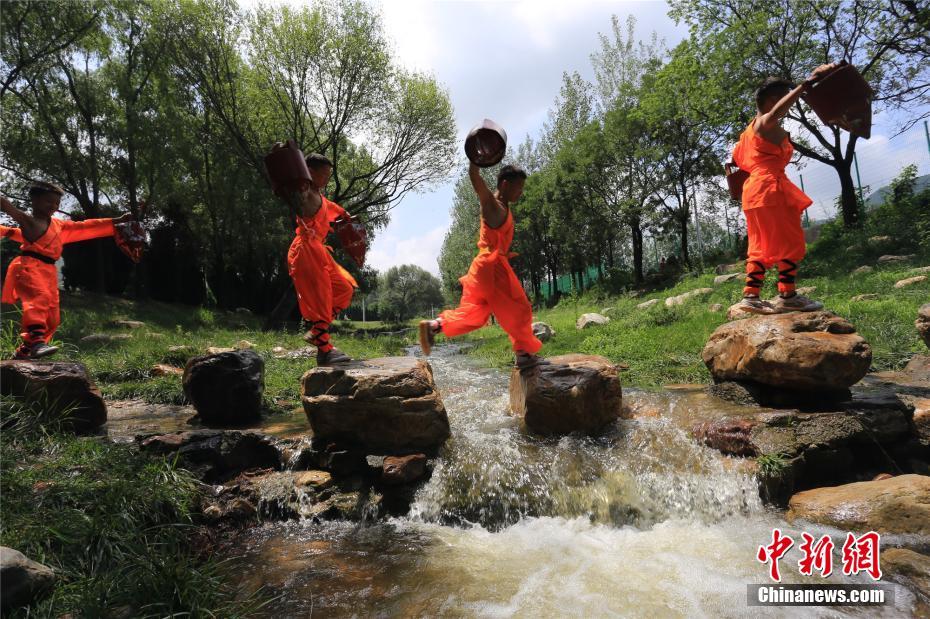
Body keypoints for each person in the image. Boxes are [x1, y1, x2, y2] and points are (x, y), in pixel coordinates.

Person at [419, 163, 545, 370]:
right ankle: (523, 355)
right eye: (519, 188)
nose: (521, 192)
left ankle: (434, 326)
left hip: (482, 268)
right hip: (492, 267)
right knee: (520, 308)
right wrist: (474, 163)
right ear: (505, 185)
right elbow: (477, 182)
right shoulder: (492, 204)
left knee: (476, 313)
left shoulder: (502, 205)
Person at [732, 64, 836, 314]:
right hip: (770, 189)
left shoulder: (747, 133)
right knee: (790, 241)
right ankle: (787, 295)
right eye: (784, 97)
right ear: (773, 100)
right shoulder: (764, 124)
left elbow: (738, 161)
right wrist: (805, 85)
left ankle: (751, 296)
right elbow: (776, 113)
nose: (788, 104)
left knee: (759, 243)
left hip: (753, 193)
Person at [1, 182, 132, 359]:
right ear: (35, 200)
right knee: (38, 301)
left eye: (57, 203)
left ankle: (24, 351)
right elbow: (6, 206)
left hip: (49, 272)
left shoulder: (58, 226)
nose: (53, 206)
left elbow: (85, 227)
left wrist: (116, 221)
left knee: (52, 318)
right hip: (29, 267)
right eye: (49, 201)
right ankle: (37, 343)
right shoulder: (28, 221)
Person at [286, 153, 357, 365]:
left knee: (344, 288)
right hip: (305, 249)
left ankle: (317, 331)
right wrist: (285, 158)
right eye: (324, 174)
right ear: (310, 172)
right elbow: (294, 193)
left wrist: (345, 217)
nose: (327, 178)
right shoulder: (305, 191)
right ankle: (324, 350)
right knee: (322, 297)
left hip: (319, 250)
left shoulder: (321, 198)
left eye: (329, 175)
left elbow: (333, 209)